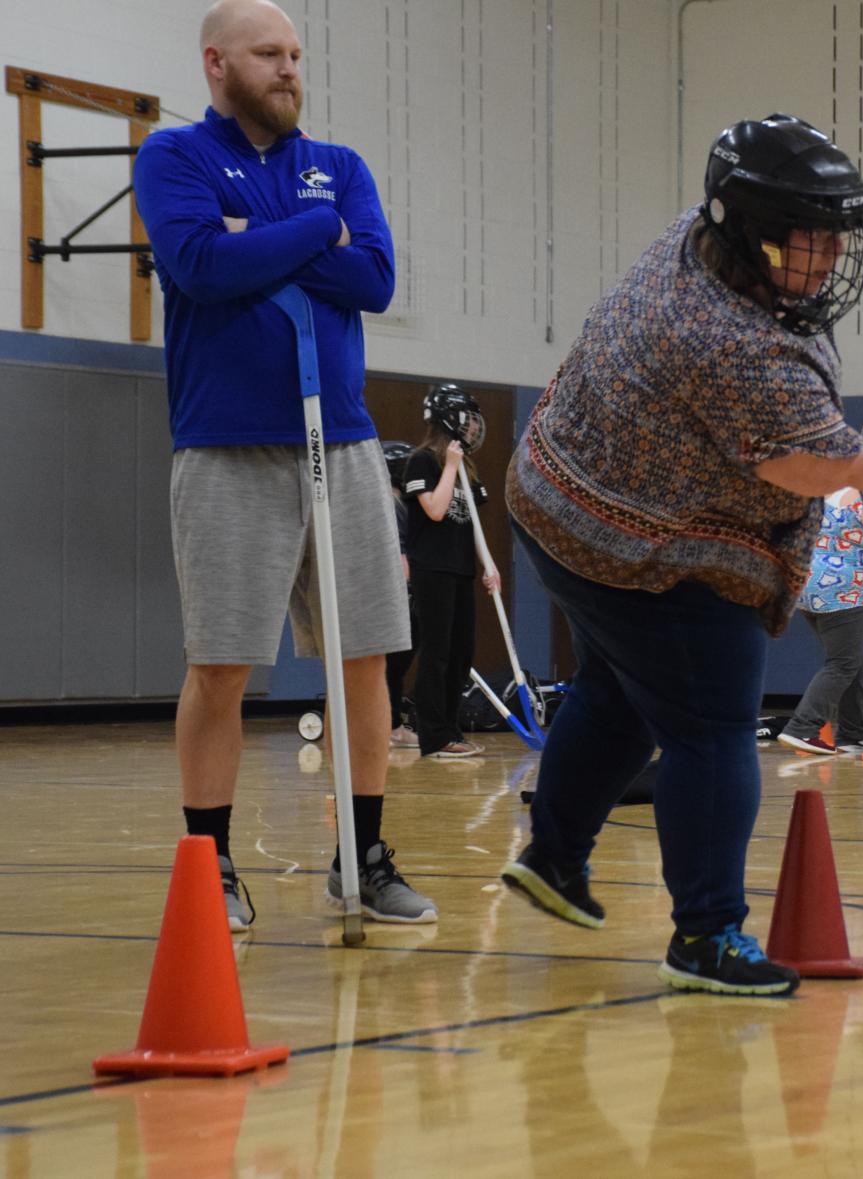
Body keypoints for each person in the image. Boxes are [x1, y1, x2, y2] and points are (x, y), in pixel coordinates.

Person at [501, 112, 863, 996]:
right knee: (714, 729)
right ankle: (706, 938)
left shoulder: (698, 240)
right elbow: (830, 465)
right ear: (752, 234)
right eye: (811, 239)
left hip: (553, 491)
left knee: (623, 690)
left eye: (840, 235)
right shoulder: (733, 343)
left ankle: (553, 856)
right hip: (632, 537)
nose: (832, 256)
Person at [133, 0, 437, 930]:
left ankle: (365, 855)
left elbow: (375, 280)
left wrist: (256, 238)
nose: (289, 68)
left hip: (341, 443)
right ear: (218, 64)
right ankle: (209, 862)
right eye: (269, 53)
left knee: (365, 658)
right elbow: (199, 268)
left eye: (297, 53)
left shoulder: (338, 168)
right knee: (221, 664)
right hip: (227, 445)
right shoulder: (173, 157)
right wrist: (316, 235)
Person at [401, 384, 501, 758]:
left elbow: (472, 525)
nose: (474, 428)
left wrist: (489, 564)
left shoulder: (469, 469)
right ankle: (434, 736)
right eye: (468, 420)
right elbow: (436, 510)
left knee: (461, 655)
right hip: (432, 570)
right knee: (437, 653)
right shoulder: (423, 461)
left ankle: (452, 729)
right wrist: (452, 467)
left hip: (460, 571)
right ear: (449, 419)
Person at [777, 487, 863, 756]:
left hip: (804, 586)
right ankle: (801, 728)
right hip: (843, 593)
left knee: (850, 660)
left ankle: (854, 735)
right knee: (843, 663)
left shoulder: (820, 493)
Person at [382, 440, 420, 749]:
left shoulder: (404, 505)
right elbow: (399, 552)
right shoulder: (390, 507)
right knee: (390, 665)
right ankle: (388, 726)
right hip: (398, 594)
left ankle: (393, 724)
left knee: (396, 667)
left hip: (408, 592)